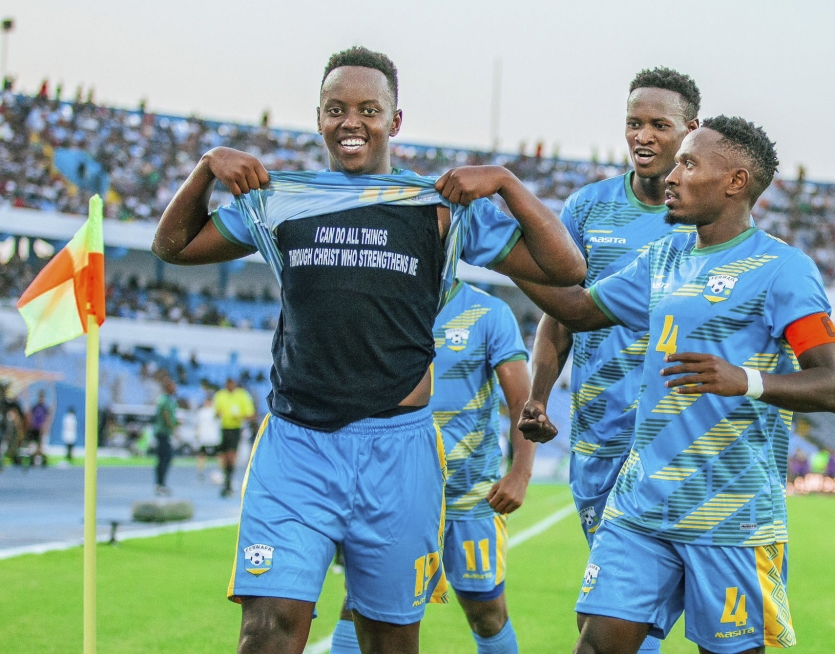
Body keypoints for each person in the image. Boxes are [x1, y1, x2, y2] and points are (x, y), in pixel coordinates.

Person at [151, 46, 584, 654]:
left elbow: (566, 269)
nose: (350, 121)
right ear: (319, 117)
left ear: (395, 121)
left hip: (398, 450)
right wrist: (204, 170)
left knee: (388, 639)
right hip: (297, 446)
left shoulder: (438, 208)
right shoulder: (281, 200)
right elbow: (173, 246)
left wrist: (507, 184)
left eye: (368, 109)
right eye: (336, 109)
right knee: (267, 629)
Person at [517, 116, 835, 653]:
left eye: (690, 163)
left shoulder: (784, 269)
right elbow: (576, 309)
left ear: (735, 182)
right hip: (640, 503)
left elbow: (833, 387)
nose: (672, 174)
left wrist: (746, 381)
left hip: (730, 516)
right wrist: (496, 249)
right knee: (598, 644)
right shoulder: (664, 257)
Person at [518, 66, 700, 654]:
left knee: (617, 621)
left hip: (673, 440)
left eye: (659, 125)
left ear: (690, 130)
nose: (643, 136)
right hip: (598, 438)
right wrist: (538, 395)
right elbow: (560, 316)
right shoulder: (588, 209)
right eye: (634, 123)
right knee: (609, 618)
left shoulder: (707, 220)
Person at [332, 280, 535, 654]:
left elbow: (523, 398)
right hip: (395, 491)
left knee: (486, 612)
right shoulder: (383, 302)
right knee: (361, 604)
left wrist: (520, 472)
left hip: (472, 496)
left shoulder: (489, 313)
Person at [213, 378, 255, 497]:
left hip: (235, 429)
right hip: (223, 428)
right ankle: (227, 480)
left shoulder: (242, 395)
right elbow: (216, 412)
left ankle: (228, 481)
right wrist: (220, 414)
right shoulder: (220, 395)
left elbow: (250, 414)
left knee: (231, 455)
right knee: (223, 457)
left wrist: (239, 417)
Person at [152, 377, 179, 496]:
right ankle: (160, 484)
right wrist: (173, 428)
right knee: (164, 458)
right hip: (162, 433)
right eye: (173, 386)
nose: (175, 389)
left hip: (165, 433)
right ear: (168, 388)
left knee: (165, 458)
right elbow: (166, 415)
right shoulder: (164, 400)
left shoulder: (169, 400)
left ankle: (160, 483)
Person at [24, 390, 50, 466]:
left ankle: (40, 460)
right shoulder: (35, 407)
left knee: (40, 445)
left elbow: (47, 418)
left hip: (41, 429)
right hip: (34, 428)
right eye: (40, 397)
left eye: (42, 398)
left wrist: (45, 427)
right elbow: (31, 416)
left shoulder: (45, 408)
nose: (41, 399)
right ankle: (32, 459)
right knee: (32, 445)